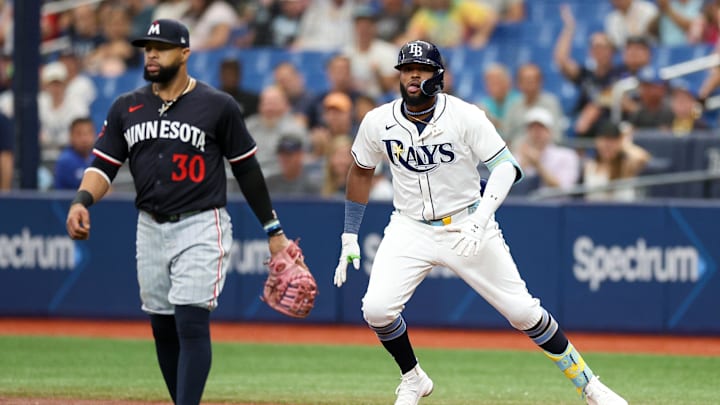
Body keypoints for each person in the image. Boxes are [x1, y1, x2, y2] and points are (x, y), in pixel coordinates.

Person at [333, 40, 628, 405]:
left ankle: (590, 385)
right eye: (407, 68)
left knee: (523, 312)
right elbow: (361, 171)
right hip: (409, 225)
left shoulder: (465, 115)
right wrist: (350, 234)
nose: (412, 75)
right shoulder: (379, 121)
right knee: (376, 309)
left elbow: (506, 166)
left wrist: (482, 219)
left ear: (438, 76)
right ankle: (413, 379)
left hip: (467, 221)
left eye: (421, 69)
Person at [64, 19, 293, 405]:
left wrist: (274, 230)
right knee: (162, 327)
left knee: (190, 321)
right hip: (149, 226)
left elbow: (247, 170)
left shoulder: (217, 106)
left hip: (201, 223)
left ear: (184, 53)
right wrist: (81, 200)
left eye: (162, 47)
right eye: (147, 47)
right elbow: (103, 166)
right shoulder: (127, 107)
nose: (152, 54)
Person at [582, 120, 651, 201]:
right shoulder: (590, 165)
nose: (608, 146)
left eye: (612, 141)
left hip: (622, 211)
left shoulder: (627, 165)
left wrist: (624, 142)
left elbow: (644, 157)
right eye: (604, 140)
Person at [53, 117, 96, 190]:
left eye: (88, 133)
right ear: (71, 136)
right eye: (79, 134)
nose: (84, 139)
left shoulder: (98, 157)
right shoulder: (65, 161)